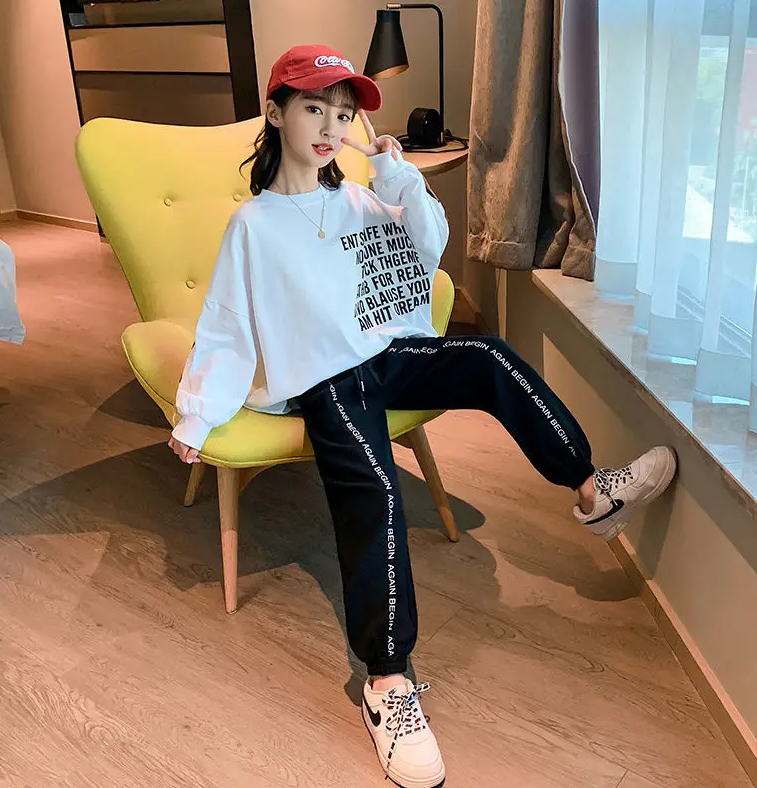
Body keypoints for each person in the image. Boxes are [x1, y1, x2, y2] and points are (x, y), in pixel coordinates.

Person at [168, 44, 677, 788]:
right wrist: (197, 415)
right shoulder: (254, 226)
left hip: (386, 351)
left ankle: (592, 489)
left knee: (488, 357)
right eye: (314, 108)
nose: (331, 127)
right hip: (325, 379)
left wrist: (395, 172)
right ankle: (387, 681)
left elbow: (428, 243)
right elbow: (226, 326)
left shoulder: (358, 199)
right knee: (376, 491)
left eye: (343, 113)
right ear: (275, 113)